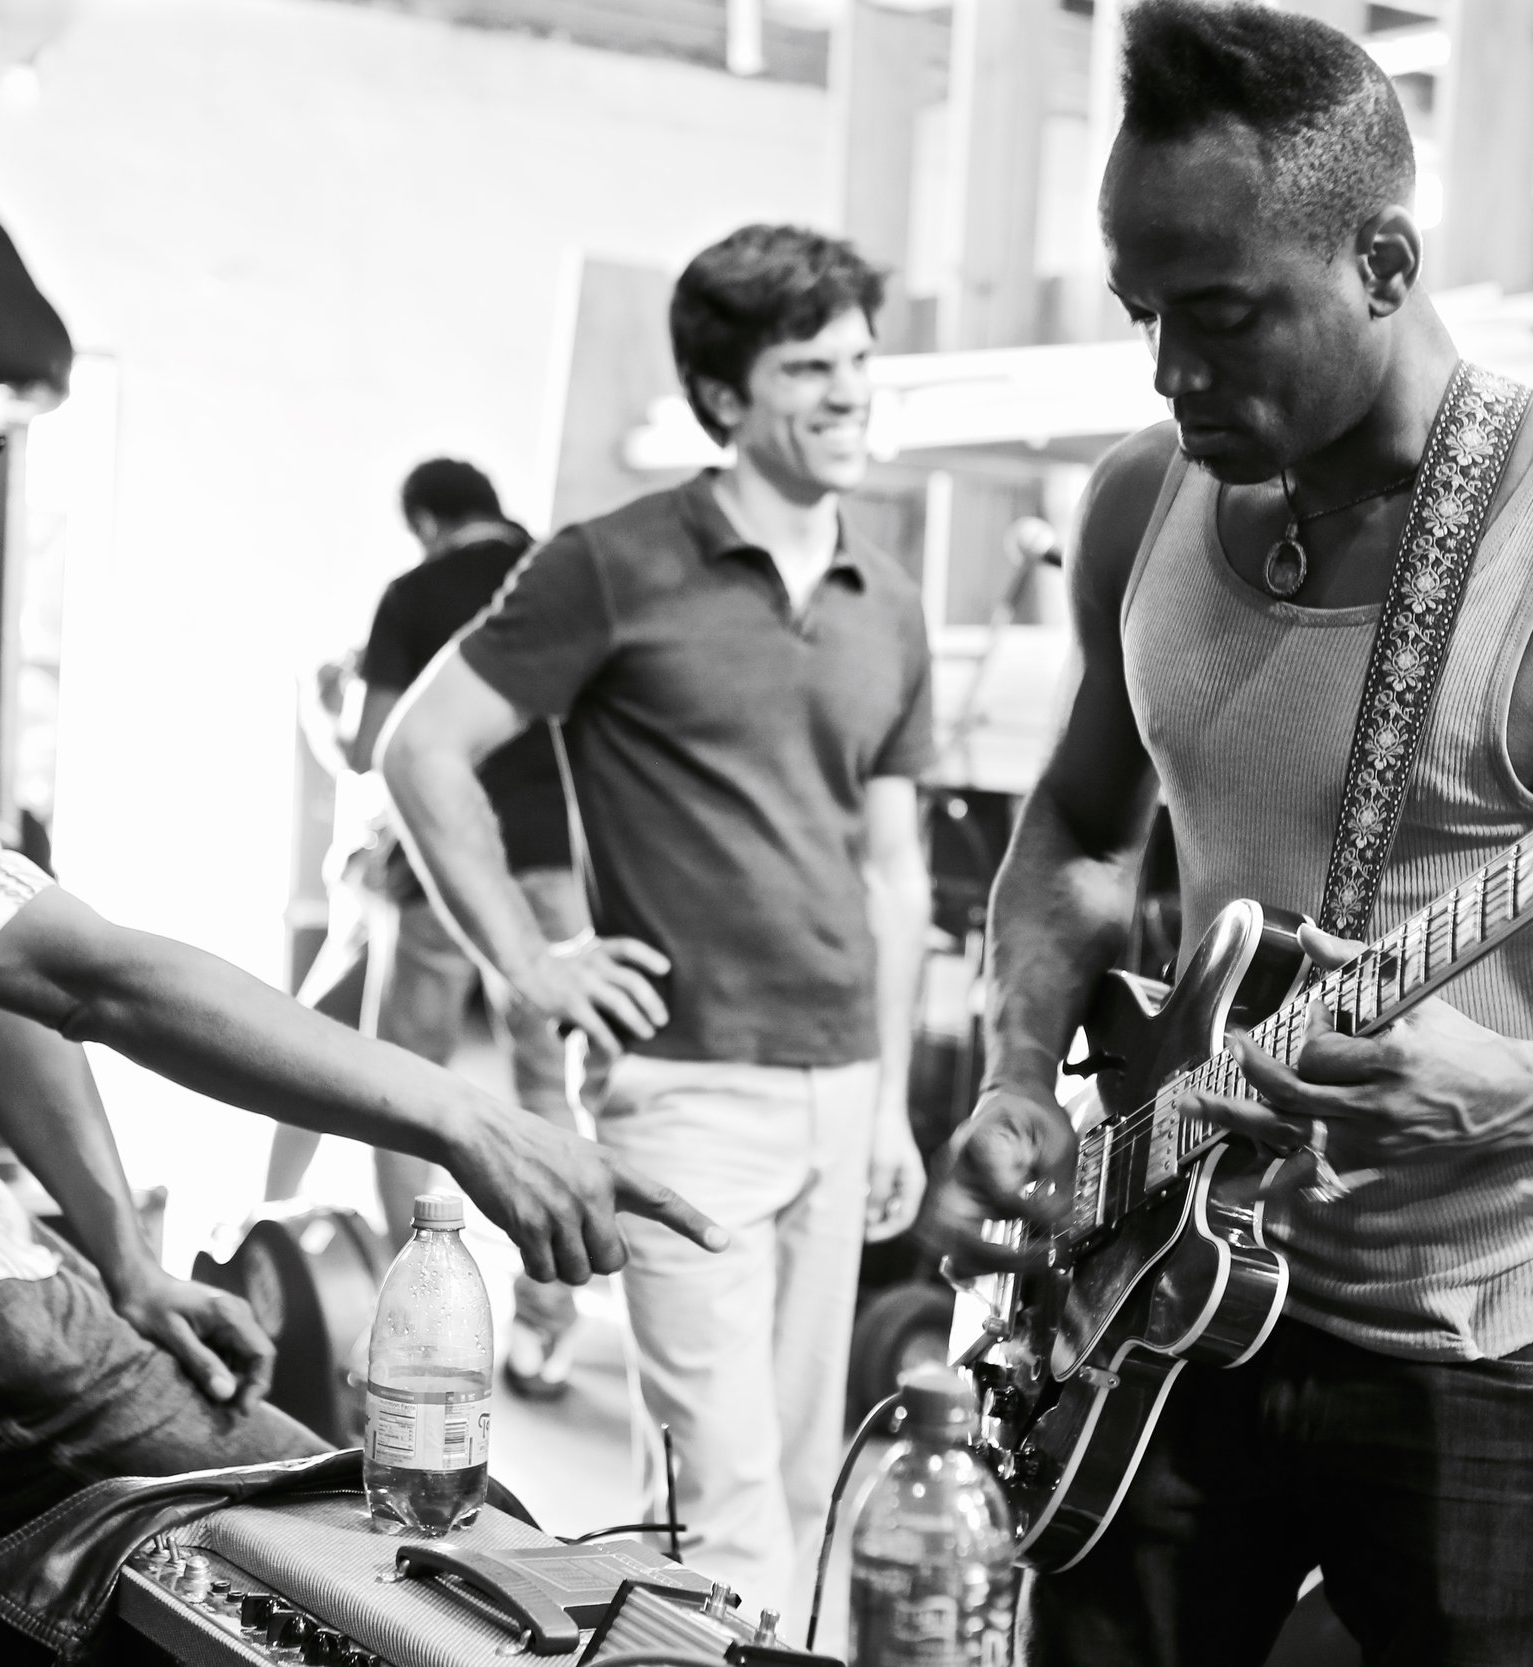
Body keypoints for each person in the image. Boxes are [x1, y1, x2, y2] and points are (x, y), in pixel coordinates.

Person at [919, 8, 1533, 1665]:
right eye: (1145, 318)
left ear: (1387, 259)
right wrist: (1007, 1069)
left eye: (1225, 316)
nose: (1172, 372)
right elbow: (1074, 820)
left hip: (1477, 1345)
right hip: (1151, 1309)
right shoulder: (1140, 502)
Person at [0, 276, 721, 1535]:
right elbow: (89, 980)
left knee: (396, 1525)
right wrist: (465, 1118)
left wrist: (123, 1252)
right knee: (407, 1541)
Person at [382, 224, 934, 1615]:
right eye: (811, 365)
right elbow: (421, 747)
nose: (850, 391)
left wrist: (889, 1107)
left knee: (812, 1489)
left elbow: (895, 867)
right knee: (717, 1505)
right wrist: (525, 959)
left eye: (862, 360)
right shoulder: (611, 565)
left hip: (840, 1086)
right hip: (684, 1090)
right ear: (727, 394)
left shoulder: (891, 602)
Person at [267, 456, 589, 1398]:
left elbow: (372, 748)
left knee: (407, 1081)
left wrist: (317, 708)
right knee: (550, 1083)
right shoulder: (560, 575)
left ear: (425, 522)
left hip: (448, 867)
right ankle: (547, 1325)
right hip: (558, 863)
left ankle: (413, 1316)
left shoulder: (414, 593)